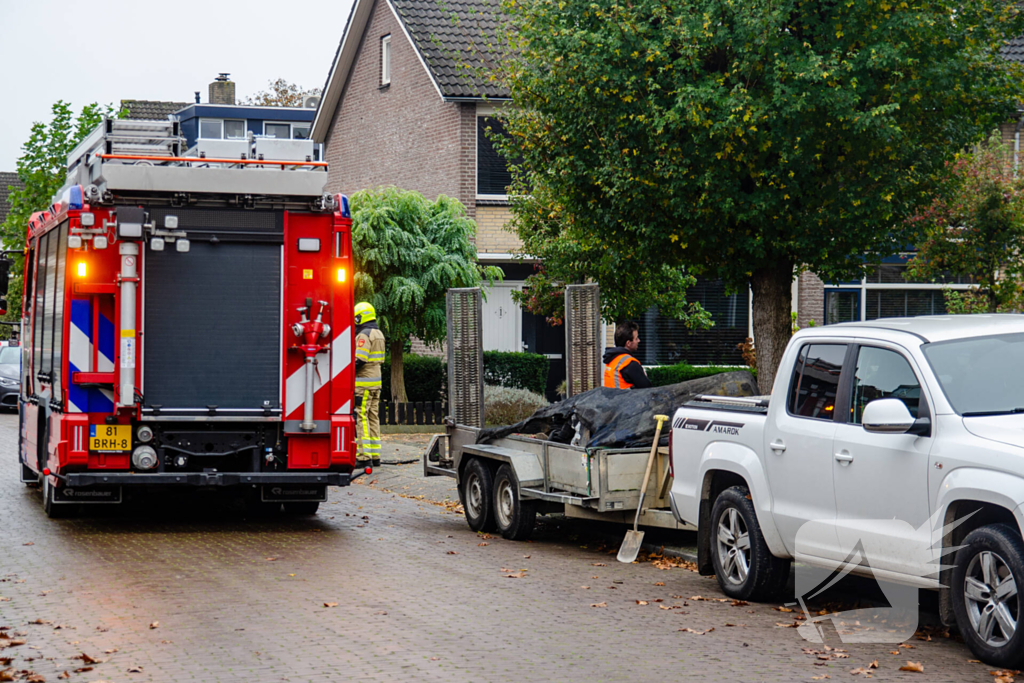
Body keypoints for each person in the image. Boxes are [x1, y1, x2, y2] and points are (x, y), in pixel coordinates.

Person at [354, 302, 386, 467]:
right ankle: (375, 456)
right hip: (376, 382)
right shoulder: (379, 333)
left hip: (363, 383)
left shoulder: (364, 335)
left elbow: (359, 360)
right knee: (374, 417)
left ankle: (364, 456)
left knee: (361, 416)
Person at [602, 321, 651, 389]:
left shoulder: (611, 360)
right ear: (628, 343)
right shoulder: (630, 364)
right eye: (636, 338)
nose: (639, 340)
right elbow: (648, 390)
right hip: (625, 399)